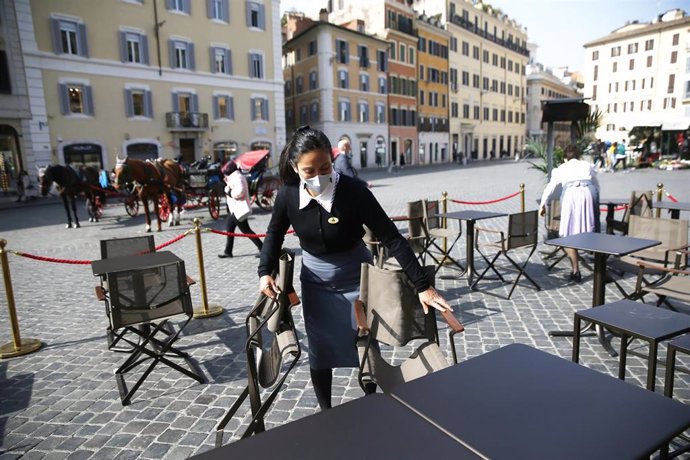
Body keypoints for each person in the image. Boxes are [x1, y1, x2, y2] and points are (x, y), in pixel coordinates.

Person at [258, 126, 452, 410]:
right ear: (294, 167)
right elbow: (274, 234)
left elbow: (392, 238)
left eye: (325, 166)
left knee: (364, 343)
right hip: (316, 281)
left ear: (332, 159)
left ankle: (370, 404)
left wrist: (423, 286)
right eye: (309, 171)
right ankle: (326, 412)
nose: (319, 175)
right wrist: (265, 272)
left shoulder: (352, 191)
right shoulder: (287, 195)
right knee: (320, 349)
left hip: (357, 277)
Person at [539, 144, 600, 283]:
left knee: (567, 233)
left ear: (565, 158)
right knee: (592, 231)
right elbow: (596, 184)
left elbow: (550, 187)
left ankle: (575, 270)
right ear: (578, 156)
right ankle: (600, 269)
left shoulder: (562, 168)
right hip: (588, 194)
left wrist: (543, 204)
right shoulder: (586, 165)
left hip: (571, 196)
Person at [218, 161, 263, 258]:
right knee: (229, 230)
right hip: (233, 209)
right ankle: (228, 252)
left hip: (238, 209)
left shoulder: (238, 178)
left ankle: (262, 248)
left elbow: (240, 192)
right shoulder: (234, 177)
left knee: (246, 231)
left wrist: (229, 193)